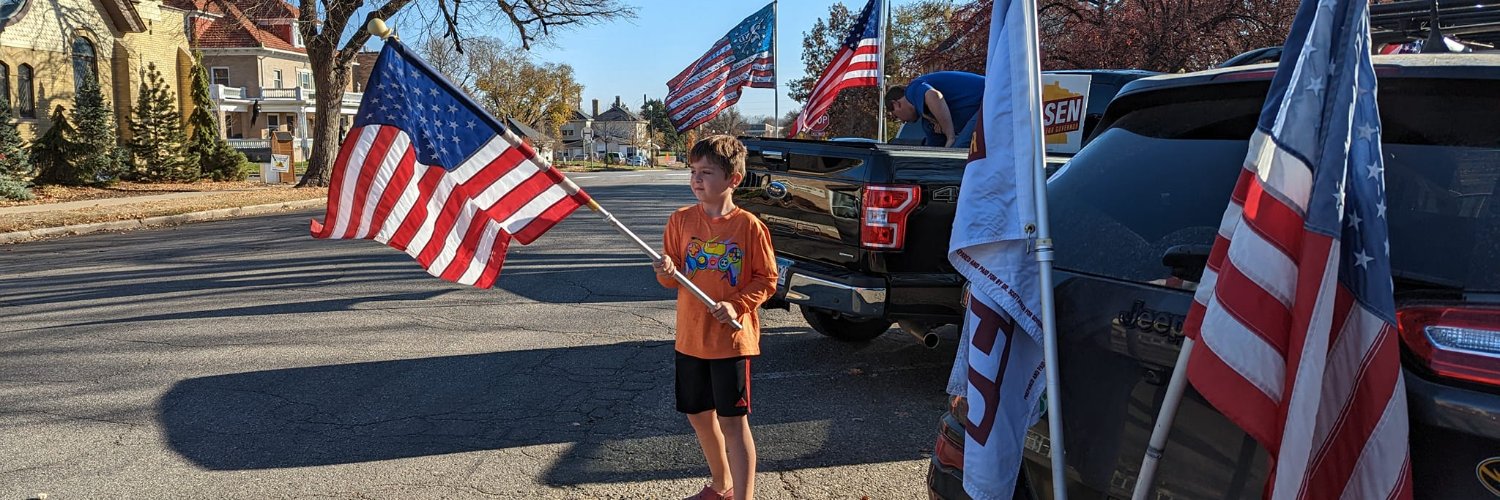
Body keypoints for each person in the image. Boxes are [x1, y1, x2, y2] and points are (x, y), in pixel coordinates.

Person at [654, 134, 777, 500]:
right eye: (693, 171)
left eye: (706, 172)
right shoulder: (679, 221)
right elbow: (667, 279)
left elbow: (767, 279)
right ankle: (721, 485)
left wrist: (737, 305)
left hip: (730, 341)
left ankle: (744, 496)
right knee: (698, 415)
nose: (696, 179)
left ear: (733, 179)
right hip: (690, 339)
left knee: (733, 423)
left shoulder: (749, 227)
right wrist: (664, 268)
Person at [885, 71, 985, 148]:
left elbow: (934, 95)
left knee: (958, 150)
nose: (902, 121)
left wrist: (950, 136)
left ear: (896, 104)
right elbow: (935, 151)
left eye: (896, 117)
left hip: (989, 97)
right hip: (985, 107)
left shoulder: (912, 89)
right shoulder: (927, 122)